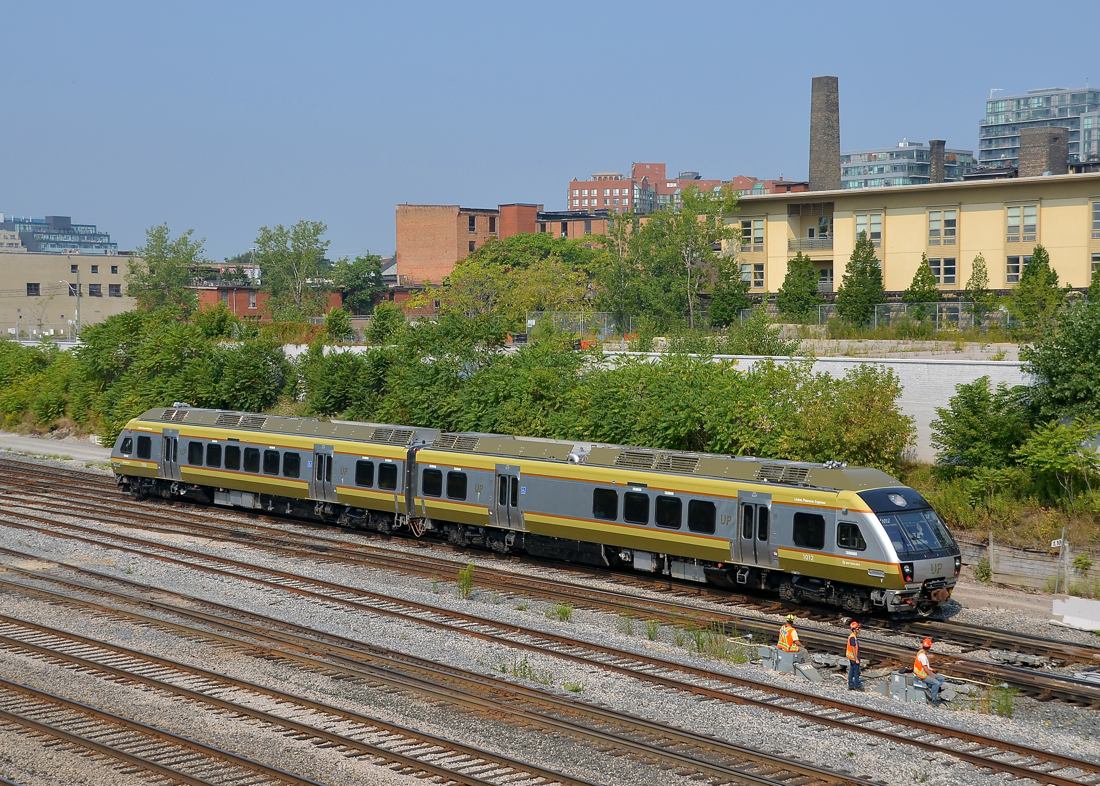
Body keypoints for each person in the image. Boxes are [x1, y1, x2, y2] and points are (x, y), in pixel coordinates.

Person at [913, 637, 946, 705]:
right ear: (929, 647)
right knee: (936, 683)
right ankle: (933, 699)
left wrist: (932, 670)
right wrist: (932, 676)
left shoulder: (922, 652)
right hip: (921, 675)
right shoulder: (922, 656)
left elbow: (926, 667)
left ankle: (933, 690)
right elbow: (925, 669)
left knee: (941, 679)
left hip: (924, 673)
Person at [846, 621, 864, 690]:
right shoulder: (852, 637)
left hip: (852, 657)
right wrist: (856, 659)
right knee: (856, 672)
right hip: (854, 658)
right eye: (857, 629)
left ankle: (850, 685)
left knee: (852, 671)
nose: (859, 630)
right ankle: (857, 686)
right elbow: (853, 648)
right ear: (854, 630)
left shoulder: (853, 636)